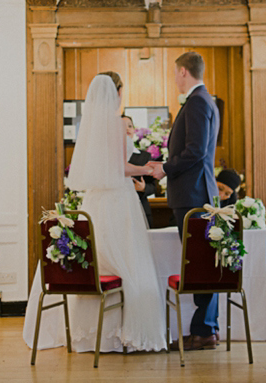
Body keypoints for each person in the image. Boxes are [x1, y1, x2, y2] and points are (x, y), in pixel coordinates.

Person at [50, 71, 166, 352]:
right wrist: (149, 169)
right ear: (115, 92)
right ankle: (123, 333)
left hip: (95, 202)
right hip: (118, 200)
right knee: (128, 260)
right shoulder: (114, 124)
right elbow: (119, 167)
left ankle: (93, 334)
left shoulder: (90, 126)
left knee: (98, 262)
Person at [150, 51, 220, 351]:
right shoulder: (205, 101)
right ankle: (206, 328)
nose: (174, 79)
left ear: (182, 72)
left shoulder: (196, 102)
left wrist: (165, 167)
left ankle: (204, 330)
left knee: (200, 263)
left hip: (193, 196)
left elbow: (195, 152)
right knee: (204, 262)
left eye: (174, 73)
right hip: (197, 193)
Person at [123, 114, 156, 227]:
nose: (127, 129)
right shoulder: (111, 156)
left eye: (130, 126)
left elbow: (154, 186)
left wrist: (143, 188)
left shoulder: (145, 156)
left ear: (134, 130)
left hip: (140, 208)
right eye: (122, 126)